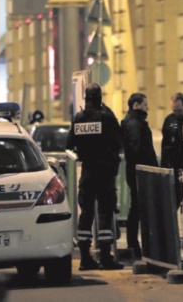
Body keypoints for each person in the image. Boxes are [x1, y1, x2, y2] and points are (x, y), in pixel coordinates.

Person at [66, 83, 124, 270]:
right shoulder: (106, 118)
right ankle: (106, 257)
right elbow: (118, 140)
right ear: (100, 97)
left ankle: (85, 257)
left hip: (88, 172)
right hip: (105, 172)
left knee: (86, 214)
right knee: (105, 213)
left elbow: (69, 144)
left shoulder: (79, 118)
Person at [121, 93, 158, 259]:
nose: (147, 107)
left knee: (137, 207)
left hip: (136, 171)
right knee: (138, 208)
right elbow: (138, 150)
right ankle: (135, 245)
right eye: (145, 104)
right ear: (136, 105)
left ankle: (134, 243)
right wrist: (147, 169)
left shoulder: (134, 122)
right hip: (139, 172)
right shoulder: (135, 124)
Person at [160, 93, 183, 205]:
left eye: (179, 110)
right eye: (174, 110)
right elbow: (164, 145)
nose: (176, 113)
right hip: (172, 166)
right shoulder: (169, 120)